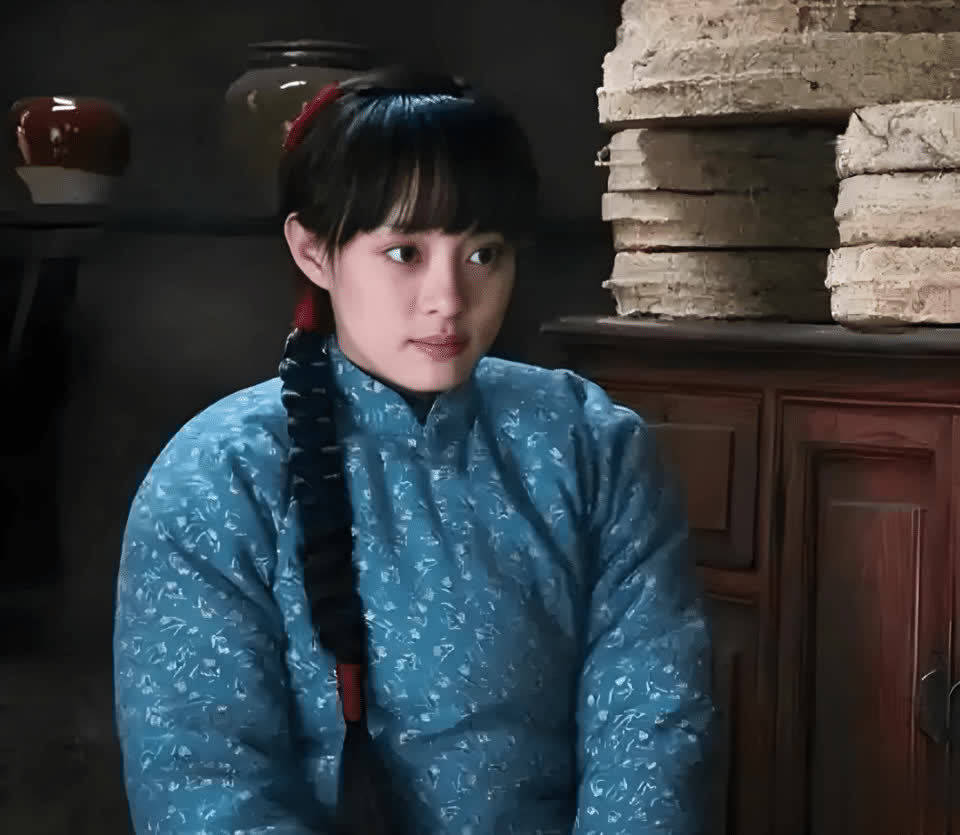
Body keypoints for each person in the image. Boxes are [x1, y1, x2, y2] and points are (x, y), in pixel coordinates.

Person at [113, 66, 715, 835]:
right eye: (404, 252)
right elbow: (202, 786)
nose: (448, 299)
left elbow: (654, 736)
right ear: (313, 251)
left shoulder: (592, 446)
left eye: (483, 253)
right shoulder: (218, 477)